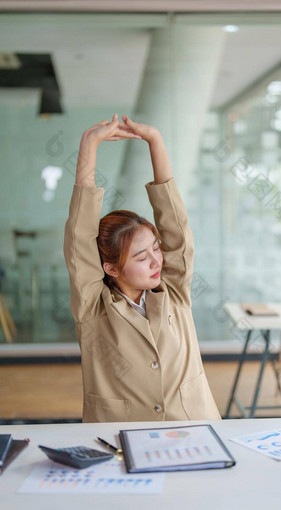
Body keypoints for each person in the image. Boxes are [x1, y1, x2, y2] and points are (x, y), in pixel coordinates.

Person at [64, 113, 221, 422]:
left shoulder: (173, 290)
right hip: (119, 436)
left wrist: (155, 140)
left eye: (155, 248)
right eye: (140, 257)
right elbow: (80, 237)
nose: (155, 261)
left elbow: (176, 230)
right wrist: (89, 145)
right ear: (110, 268)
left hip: (191, 427)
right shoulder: (93, 308)